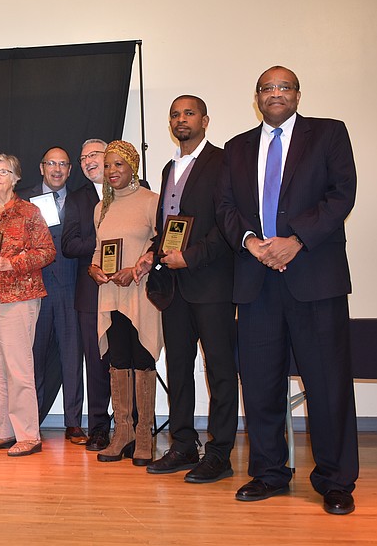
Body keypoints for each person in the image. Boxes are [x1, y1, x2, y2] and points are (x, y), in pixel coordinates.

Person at [216, 66, 358, 514]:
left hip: (314, 277)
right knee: (259, 384)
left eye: (285, 87)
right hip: (257, 281)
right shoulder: (236, 148)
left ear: (298, 94)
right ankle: (269, 472)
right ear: (256, 97)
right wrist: (253, 243)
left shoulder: (329, 134)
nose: (276, 94)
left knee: (328, 384)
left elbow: (342, 194)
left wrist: (296, 240)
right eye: (267, 88)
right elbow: (224, 207)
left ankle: (335, 480)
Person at [135, 96, 238, 483]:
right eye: (176, 114)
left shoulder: (222, 161)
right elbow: (169, 227)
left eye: (189, 113)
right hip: (174, 287)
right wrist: (152, 254)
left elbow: (229, 223)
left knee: (220, 370)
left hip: (211, 283)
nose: (182, 119)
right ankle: (182, 445)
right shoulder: (167, 168)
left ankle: (220, 454)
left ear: (205, 120)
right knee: (177, 368)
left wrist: (191, 257)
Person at [0, 154, 55, 457]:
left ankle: (29, 434)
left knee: (18, 369)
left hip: (18, 296)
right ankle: (4, 430)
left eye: (2, 171)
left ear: (16, 177)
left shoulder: (30, 211)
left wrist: (13, 262)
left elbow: (47, 251)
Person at [88, 140, 162, 467]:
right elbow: (98, 249)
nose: (111, 171)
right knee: (118, 360)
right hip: (111, 295)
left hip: (141, 294)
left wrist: (139, 267)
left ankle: (145, 433)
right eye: (107, 166)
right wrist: (93, 267)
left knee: (142, 358)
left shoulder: (151, 201)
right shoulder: (100, 207)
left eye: (118, 164)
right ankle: (124, 432)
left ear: (132, 165)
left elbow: (161, 246)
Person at [23, 146, 86, 445]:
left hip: (71, 289)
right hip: (34, 291)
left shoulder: (81, 200)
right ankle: (30, 423)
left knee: (72, 358)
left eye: (63, 164)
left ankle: (74, 422)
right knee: (32, 359)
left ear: (70, 169)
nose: (57, 169)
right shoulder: (23, 199)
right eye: (52, 163)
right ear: (41, 167)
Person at [61, 138, 112, 451]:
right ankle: (99, 428)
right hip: (90, 292)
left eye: (94, 154)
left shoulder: (138, 189)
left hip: (128, 287)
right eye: (83, 158)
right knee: (95, 363)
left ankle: (133, 427)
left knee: (129, 361)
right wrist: (104, 249)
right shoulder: (77, 198)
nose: (88, 161)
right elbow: (68, 245)